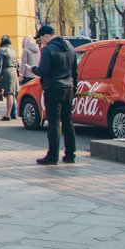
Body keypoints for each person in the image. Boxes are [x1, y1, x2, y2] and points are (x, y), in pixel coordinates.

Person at [33, 24, 79, 165]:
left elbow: (44, 71)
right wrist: (74, 88)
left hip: (53, 89)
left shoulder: (48, 49)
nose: (41, 43)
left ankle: (52, 156)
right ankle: (70, 154)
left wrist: (34, 69)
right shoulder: (70, 47)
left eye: (41, 39)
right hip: (68, 88)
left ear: (46, 36)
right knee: (68, 121)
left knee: (53, 123)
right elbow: (74, 71)